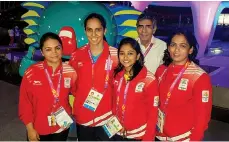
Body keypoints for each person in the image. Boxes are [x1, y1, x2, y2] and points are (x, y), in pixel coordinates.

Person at [155, 30, 212, 141]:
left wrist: (195, 139)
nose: (176, 50)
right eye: (173, 45)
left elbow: (202, 117)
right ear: (168, 47)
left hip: (183, 138)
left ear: (190, 50)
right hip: (159, 135)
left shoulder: (199, 77)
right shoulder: (161, 70)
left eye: (183, 46)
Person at [19, 32, 77, 141]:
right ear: (42, 52)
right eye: (48, 49)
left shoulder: (70, 71)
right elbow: (25, 103)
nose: (54, 52)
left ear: (62, 48)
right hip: (38, 126)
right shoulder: (32, 72)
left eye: (57, 48)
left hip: (62, 125)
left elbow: (78, 93)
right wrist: (30, 129)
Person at [69, 13, 118, 141]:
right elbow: (73, 85)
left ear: (104, 30)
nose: (94, 34)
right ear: (85, 31)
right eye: (89, 30)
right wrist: (81, 95)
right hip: (83, 116)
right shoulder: (76, 55)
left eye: (98, 30)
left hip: (107, 117)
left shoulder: (116, 55)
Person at [110, 37, 159, 141]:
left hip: (138, 135)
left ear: (137, 56)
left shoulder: (149, 79)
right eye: (122, 53)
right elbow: (115, 103)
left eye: (130, 53)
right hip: (118, 131)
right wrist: (116, 123)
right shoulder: (116, 76)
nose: (125, 57)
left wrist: (148, 138)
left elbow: (153, 113)